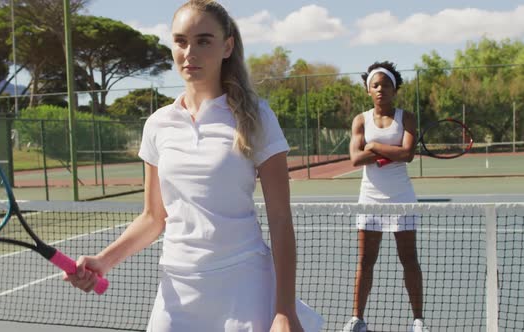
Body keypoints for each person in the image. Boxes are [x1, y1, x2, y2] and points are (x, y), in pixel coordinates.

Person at [63, 1, 324, 331]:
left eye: (203, 40)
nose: (190, 52)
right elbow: (153, 217)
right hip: (177, 290)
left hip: (243, 285)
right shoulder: (159, 124)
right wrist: (103, 261)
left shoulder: (257, 117)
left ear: (227, 46)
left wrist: (285, 310)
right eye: (181, 41)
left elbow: (281, 218)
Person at [342, 61, 429, 332]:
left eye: (386, 85)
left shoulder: (407, 118)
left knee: (409, 260)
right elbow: (356, 158)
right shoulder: (361, 119)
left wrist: (375, 145)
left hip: (402, 198)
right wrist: (389, 150)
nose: (381, 89)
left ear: (395, 89)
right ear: (368, 90)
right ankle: (357, 319)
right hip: (369, 198)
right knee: (365, 262)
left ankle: (418, 321)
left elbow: (407, 155)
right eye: (375, 85)